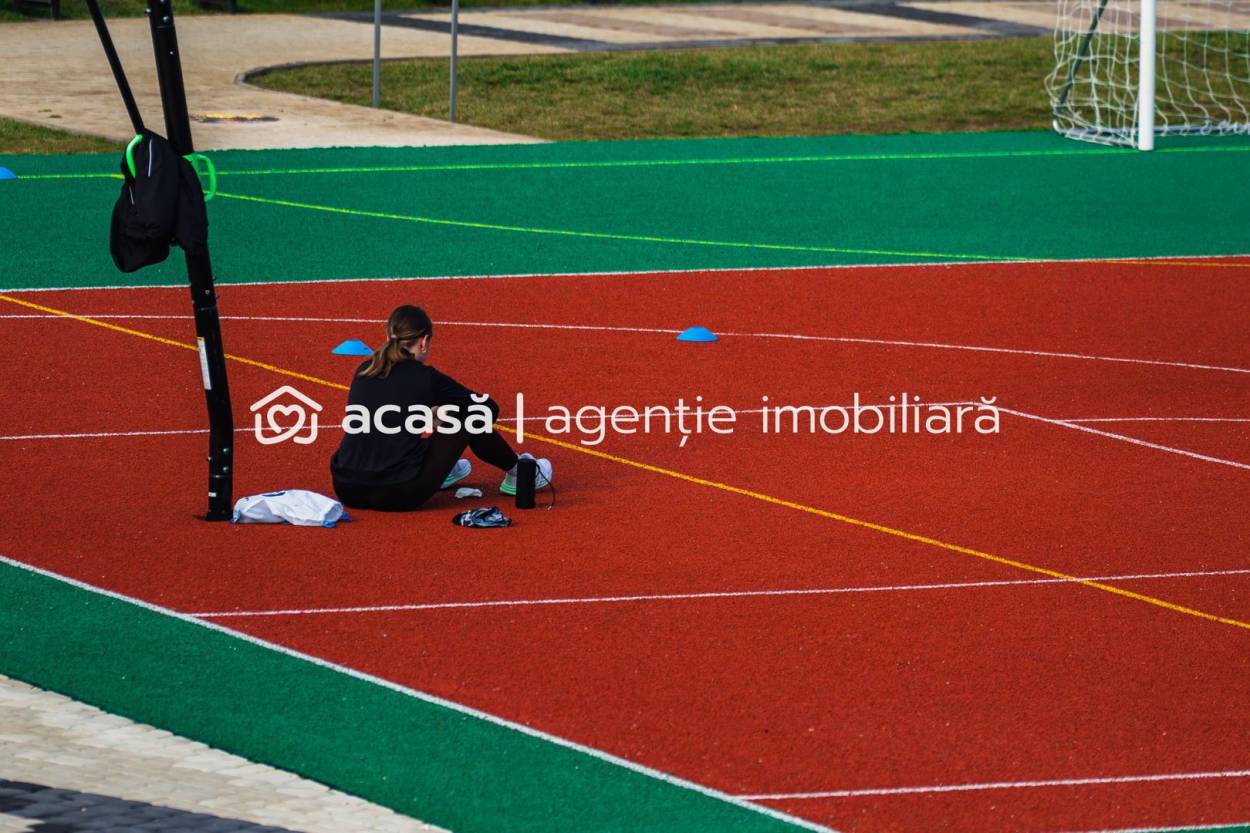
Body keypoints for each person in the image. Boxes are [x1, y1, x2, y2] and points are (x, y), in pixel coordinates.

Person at [329, 304, 551, 511]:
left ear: (388, 337)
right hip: (398, 493)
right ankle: (519, 473)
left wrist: (425, 415)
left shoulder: (364, 370)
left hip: (347, 489)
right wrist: (444, 413)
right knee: (470, 415)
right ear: (424, 341)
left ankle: (446, 470)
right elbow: (488, 409)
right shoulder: (425, 377)